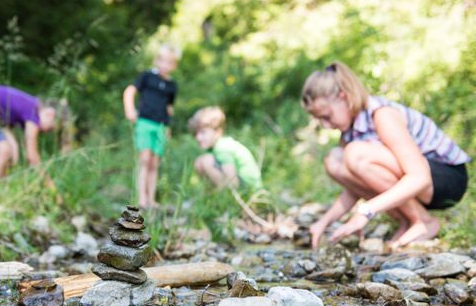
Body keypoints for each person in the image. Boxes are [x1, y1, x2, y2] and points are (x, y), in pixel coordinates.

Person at [301, 61, 470, 249]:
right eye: (319, 119)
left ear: (344, 97)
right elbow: (356, 187)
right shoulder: (350, 131)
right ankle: (407, 221)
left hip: (446, 179)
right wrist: (324, 222)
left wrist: (366, 211)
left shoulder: (382, 115)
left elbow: (419, 177)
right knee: (334, 160)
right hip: (420, 182)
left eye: (327, 116)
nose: (325, 125)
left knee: (354, 154)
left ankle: (423, 221)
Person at [123, 45, 180, 209]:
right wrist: (130, 109)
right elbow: (130, 91)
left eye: (169, 62)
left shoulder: (172, 86)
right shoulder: (147, 77)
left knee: (155, 163)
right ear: (156, 60)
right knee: (145, 159)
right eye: (162, 61)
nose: (165, 65)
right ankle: (142, 198)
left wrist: (168, 128)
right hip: (145, 122)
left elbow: (169, 108)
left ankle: (151, 199)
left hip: (161, 125)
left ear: (174, 65)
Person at [189, 106, 263, 190]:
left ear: (218, 132)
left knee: (206, 160)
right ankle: (213, 194)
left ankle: (221, 196)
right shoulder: (214, 148)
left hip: (248, 189)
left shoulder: (223, 148)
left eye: (203, 132)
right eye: (196, 133)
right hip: (240, 186)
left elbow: (233, 182)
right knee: (199, 163)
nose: (198, 137)